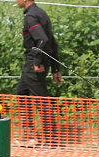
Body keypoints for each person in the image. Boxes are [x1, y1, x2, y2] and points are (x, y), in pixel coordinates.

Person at [14, 0, 62, 148]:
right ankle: (29, 136)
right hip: (37, 63)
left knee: (41, 101)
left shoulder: (31, 16)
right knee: (21, 93)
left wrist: (36, 62)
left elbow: (43, 40)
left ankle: (52, 141)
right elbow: (52, 42)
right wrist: (55, 68)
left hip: (34, 64)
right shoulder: (41, 13)